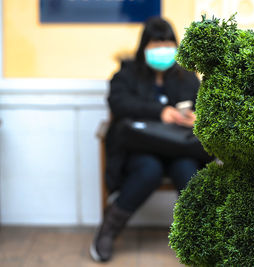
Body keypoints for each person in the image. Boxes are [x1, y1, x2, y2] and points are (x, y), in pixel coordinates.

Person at [90, 17, 203, 262]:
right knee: (149, 170)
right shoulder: (127, 73)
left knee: (187, 170)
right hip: (140, 149)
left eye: (168, 44)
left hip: (179, 149)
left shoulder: (187, 76)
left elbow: (204, 107)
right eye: (156, 44)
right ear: (144, 47)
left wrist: (195, 118)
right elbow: (118, 103)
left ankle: (201, 239)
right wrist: (159, 112)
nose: (163, 50)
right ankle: (108, 230)